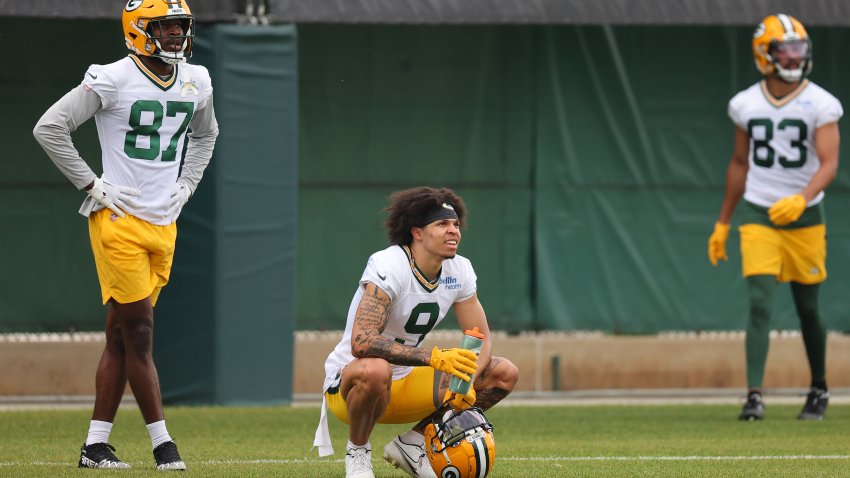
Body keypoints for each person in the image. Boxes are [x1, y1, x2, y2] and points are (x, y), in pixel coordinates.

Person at [33, 0, 218, 469]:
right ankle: (164, 445)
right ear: (139, 30)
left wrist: (188, 183)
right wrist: (92, 183)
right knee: (140, 332)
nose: (176, 35)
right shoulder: (112, 76)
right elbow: (50, 127)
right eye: (166, 26)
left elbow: (206, 135)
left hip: (164, 221)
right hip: (118, 221)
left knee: (119, 336)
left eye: (181, 26)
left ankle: (95, 446)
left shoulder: (198, 79)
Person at [313, 187, 519, 478]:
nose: (453, 231)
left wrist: (466, 385)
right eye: (442, 224)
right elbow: (362, 342)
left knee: (503, 372)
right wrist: (432, 357)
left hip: (407, 384)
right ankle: (358, 452)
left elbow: (479, 337)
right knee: (375, 369)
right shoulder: (389, 264)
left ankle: (412, 443)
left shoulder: (459, 270)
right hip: (353, 387)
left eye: (456, 224)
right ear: (417, 233)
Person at [708, 13, 841, 421]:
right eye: (783, 48)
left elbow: (830, 163)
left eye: (798, 47)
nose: (793, 56)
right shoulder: (745, 103)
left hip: (805, 218)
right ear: (764, 54)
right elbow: (738, 163)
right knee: (760, 302)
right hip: (759, 212)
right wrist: (724, 221)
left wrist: (802, 199)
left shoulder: (821, 102)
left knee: (808, 308)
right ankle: (754, 395)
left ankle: (818, 387)